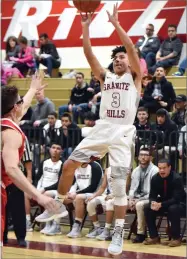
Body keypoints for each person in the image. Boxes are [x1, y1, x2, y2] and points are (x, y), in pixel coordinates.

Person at [36, 4, 142, 256]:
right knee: (69, 165)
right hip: (103, 128)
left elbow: (130, 49)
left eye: (122, 57)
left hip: (123, 132)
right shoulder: (106, 78)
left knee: (117, 188)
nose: (118, 59)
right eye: (115, 58)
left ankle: (117, 232)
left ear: (129, 61)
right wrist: (85, 28)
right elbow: (89, 54)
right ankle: (58, 206)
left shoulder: (135, 77)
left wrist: (116, 24)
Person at [1, 74, 58, 247]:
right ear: (14, 108)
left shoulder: (6, 121)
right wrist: (38, 195)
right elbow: (11, 168)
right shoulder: (11, 133)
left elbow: (23, 106)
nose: (23, 104)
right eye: (19, 101)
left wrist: (33, 89)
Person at [143, 159, 186, 247]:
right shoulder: (155, 178)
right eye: (160, 168)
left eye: (164, 168)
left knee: (173, 208)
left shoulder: (177, 178)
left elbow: (176, 199)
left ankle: (176, 238)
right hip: (164, 202)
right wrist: (153, 203)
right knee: (147, 207)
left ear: (169, 167)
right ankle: (154, 236)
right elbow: (152, 196)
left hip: (180, 204)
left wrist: (161, 204)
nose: (162, 171)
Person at [65, 162, 103, 238]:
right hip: (82, 193)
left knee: (78, 198)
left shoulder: (95, 166)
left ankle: (76, 227)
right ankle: (54, 224)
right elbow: (74, 183)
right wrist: (70, 193)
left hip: (96, 193)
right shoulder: (75, 166)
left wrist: (76, 193)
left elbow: (93, 187)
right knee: (63, 198)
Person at [128, 148, 158, 243]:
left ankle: (141, 233)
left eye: (145, 155)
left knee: (139, 205)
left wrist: (137, 200)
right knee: (117, 202)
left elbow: (152, 192)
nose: (143, 157)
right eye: (141, 155)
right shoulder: (136, 170)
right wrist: (130, 199)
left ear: (150, 157)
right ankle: (111, 231)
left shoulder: (155, 170)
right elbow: (132, 188)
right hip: (137, 198)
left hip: (150, 198)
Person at [86, 167, 114, 240]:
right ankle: (97, 228)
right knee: (91, 202)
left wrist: (113, 195)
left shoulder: (125, 169)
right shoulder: (108, 170)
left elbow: (125, 188)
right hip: (108, 195)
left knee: (109, 202)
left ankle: (107, 230)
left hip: (120, 196)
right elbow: (102, 187)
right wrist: (93, 196)